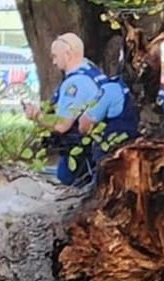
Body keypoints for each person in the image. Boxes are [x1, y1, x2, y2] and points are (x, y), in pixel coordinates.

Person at [22, 33, 104, 186]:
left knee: (67, 183)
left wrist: (36, 115)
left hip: (81, 155)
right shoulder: (93, 73)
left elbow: (62, 125)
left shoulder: (75, 83)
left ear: (68, 54)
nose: (53, 62)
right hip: (97, 148)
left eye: (55, 56)